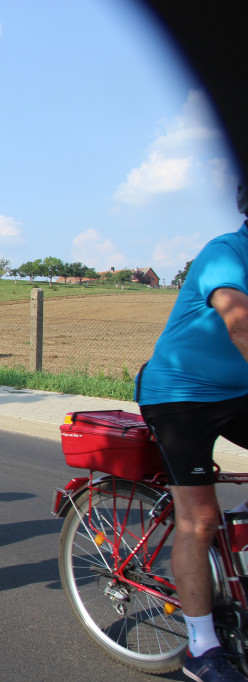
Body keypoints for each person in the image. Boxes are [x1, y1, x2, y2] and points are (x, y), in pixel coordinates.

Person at [137, 184, 248, 682]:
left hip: (236, 390)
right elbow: (240, 321)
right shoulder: (228, 252)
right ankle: (202, 649)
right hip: (181, 396)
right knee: (200, 519)